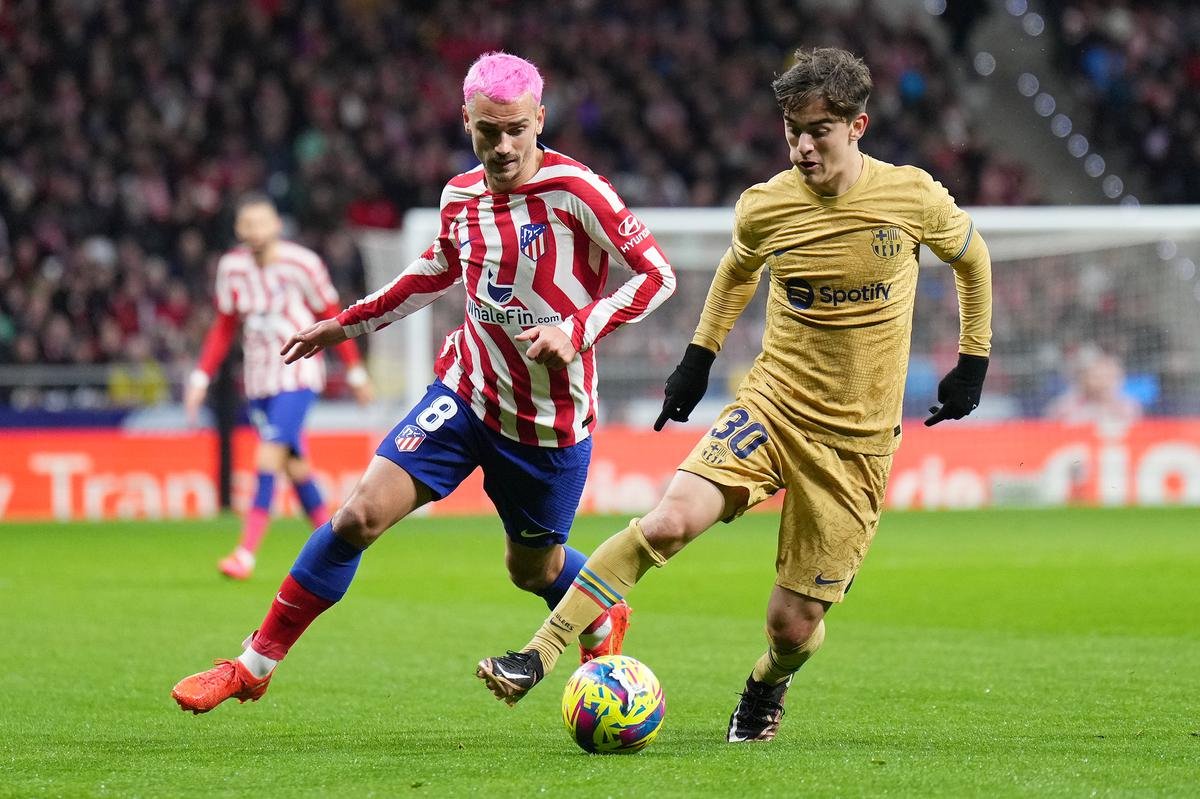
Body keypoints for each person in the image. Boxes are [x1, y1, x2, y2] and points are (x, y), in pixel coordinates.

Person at [476, 47, 993, 743]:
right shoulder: (766, 205)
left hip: (856, 444)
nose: (802, 147)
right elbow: (736, 270)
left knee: (792, 627)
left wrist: (973, 359)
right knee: (666, 522)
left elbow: (972, 258)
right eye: (792, 131)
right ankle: (537, 654)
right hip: (771, 408)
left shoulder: (912, 197)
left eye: (819, 132)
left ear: (857, 126)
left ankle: (767, 682)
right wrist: (698, 360)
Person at [171, 52, 676, 713]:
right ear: (466, 121)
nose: (503, 146)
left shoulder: (578, 192)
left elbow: (657, 275)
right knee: (358, 515)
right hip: (464, 393)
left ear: (539, 119)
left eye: (516, 130)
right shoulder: (459, 197)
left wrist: (577, 329)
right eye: (488, 131)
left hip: (547, 423)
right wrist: (344, 325)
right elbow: (432, 272)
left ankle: (602, 615)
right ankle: (253, 663)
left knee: (534, 570)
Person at [185, 194, 374, 581]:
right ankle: (337, 545)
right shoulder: (231, 268)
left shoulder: (302, 263)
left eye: (261, 223)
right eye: (247, 224)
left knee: (268, 455)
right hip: (259, 380)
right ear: (239, 230)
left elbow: (331, 316)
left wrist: (355, 372)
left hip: (297, 374)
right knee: (294, 465)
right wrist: (201, 377)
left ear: (276, 226)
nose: (255, 231)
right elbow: (224, 327)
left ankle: (245, 553)